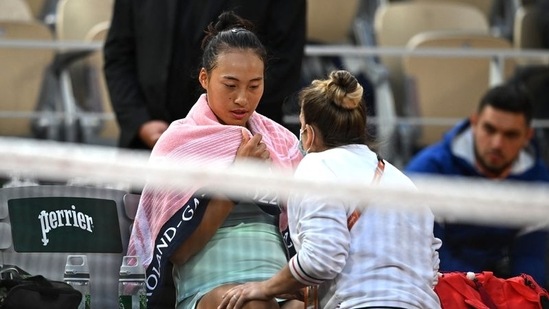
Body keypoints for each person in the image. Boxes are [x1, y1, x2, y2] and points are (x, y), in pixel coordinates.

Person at [218, 70, 442, 309]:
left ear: (309, 134)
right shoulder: (401, 180)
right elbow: (432, 265)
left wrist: (264, 288)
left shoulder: (316, 166)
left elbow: (322, 258)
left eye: (302, 128)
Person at [126, 11, 303, 309]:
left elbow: (305, 228)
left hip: (276, 280)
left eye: (254, 86)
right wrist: (236, 182)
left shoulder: (281, 141)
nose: (242, 99)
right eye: (230, 85)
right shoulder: (178, 143)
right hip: (210, 283)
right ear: (205, 78)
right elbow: (179, 252)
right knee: (255, 306)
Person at [103, 0, 306, 150]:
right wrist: (139, 121)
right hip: (151, 146)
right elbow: (118, 55)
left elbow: (285, 61)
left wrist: (222, 130)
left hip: (245, 151)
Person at [405, 83, 549, 286]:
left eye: (511, 135)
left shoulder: (538, 184)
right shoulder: (428, 172)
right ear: (474, 123)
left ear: (527, 136)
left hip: (499, 286)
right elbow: (427, 260)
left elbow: (530, 260)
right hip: (437, 287)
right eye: (489, 129)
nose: (497, 143)